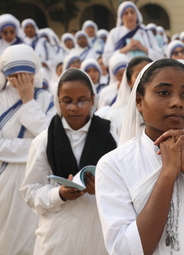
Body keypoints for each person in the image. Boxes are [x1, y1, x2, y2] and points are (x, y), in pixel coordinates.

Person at [96, 58, 184, 255]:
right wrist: (167, 173)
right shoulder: (113, 165)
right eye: (164, 93)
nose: (177, 102)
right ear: (139, 102)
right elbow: (126, 250)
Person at [20, 68, 118, 255]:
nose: (74, 107)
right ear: (58, 101)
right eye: (67, 101)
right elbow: (30, 191)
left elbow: (125, 183)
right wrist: (60, 194)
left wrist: (102, 188)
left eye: (82, 100)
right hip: (58, 238)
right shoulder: (44, 140)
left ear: (93, 100)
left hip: (98, 236)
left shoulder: (111, 135)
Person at [0, 44, 55, 255]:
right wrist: (33, 147)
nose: (22, 82)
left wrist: (28, 101)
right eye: (15, 76)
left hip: (37, 179)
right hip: (4, 181)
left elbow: (51, 140)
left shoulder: (48, 99)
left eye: (26, 75)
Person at [105, 56, 152, 136]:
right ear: (129, 82)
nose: (146, 80)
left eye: (150, 75)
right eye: (139, 76)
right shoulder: (114, 116)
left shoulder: (166, 112)